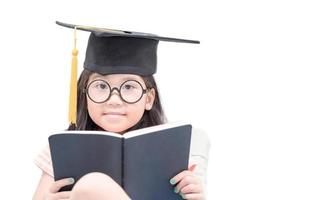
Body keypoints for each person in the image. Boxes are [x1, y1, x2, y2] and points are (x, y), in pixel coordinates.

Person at [33, 21, 210, 200]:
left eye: (128, 87)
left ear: (148, 98)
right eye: (101, 85)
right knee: (91, 185)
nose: (114, 100)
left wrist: (196, 195)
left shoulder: (173, 150)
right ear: (84, 94)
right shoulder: (62, 148)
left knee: (93, 184)